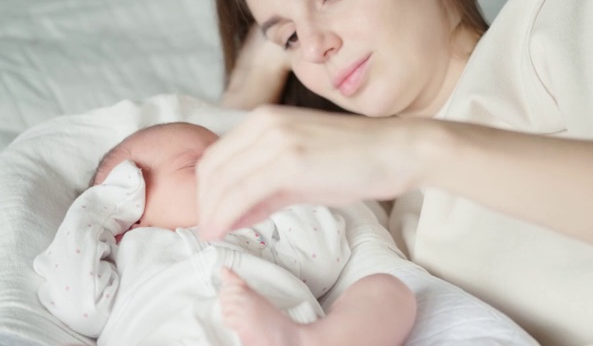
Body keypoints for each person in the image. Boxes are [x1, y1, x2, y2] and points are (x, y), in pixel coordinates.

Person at [198, 0, 593, 345]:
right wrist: (253, 75)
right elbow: (187, 205)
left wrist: (414, 151)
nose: (313, 49)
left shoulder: (555, 14)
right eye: (289, 37)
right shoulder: (371, 225)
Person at [34, 122, 418, 346]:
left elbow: (326, 257)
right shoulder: (126, 257)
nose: (229, 170)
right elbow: (75, 303)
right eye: (201, 164)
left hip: (284, 331)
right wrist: (103, 205)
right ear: (131, 203)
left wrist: (274, 185)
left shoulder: (260, 234)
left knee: (388, 290)